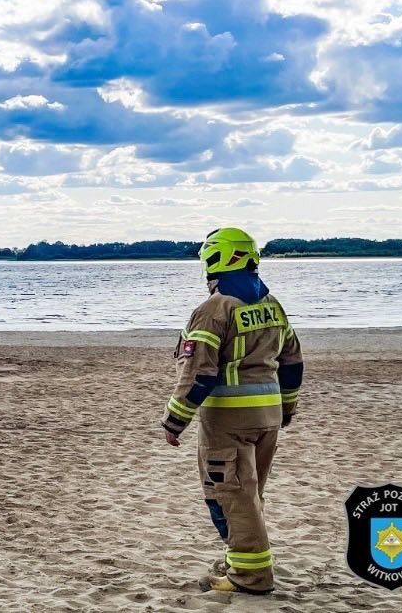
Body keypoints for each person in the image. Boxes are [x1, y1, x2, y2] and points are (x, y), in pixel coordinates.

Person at [161, 227, 303, 595]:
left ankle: (251, 578)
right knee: (250, 495)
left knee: (229, 496)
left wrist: (174, 420)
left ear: (216, 261)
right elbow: (292, 363)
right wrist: (286, 409)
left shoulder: (213, 310)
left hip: (228, 420)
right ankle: (239, 561)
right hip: (268, 416)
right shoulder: (272, 305)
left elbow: (199, 374)